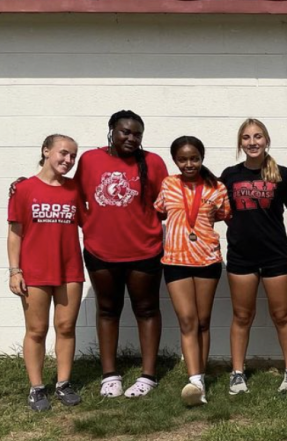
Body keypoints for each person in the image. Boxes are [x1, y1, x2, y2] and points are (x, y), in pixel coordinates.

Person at [75, 110, 168, 397]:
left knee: (147, 309)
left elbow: (165, 201)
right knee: (107, 309)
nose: (131, 138)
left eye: (137, 134)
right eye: (125, 132)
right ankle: (109, 375)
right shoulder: (90, 160)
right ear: (112, 130)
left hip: (144, 250)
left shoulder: (153, 162)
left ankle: (148, 376)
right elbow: (74, 194)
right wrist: (89, 224)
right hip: (100, 251)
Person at [221, 118, 287, 395]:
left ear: (266, 140)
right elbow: (223, 212)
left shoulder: (282, 175)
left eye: (257, 137)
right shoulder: (230, 175)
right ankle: (237, 373)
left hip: (276, 254)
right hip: (241, 256)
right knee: (242, 316)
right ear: (240, 142)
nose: (252, 142)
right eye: (246, 137)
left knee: (281, 314)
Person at [7, 135, 84, 411]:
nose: (68, 160)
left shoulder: (75, 189)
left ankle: (63, 384)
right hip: (35, 270)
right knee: (37, 330)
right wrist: (15, 271)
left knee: (66, 327)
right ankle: (37, 388)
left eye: (73, 156)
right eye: (64, 153)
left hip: (70, 269)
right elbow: (15, 233)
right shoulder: (24, 189)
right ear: (46, 151)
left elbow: (92, 221)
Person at [154, 136, 230, 406]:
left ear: (202, 157)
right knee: (187, 320)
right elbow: (159, 212)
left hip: (207, 260)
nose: (189, 164)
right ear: (175, 160)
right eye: (183, 159)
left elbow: (223, 215)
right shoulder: (168, 184)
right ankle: (195, 379)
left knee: (202, 321)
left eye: (194, 158)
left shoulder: (216, 188)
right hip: (175, 260)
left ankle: (201, 377)